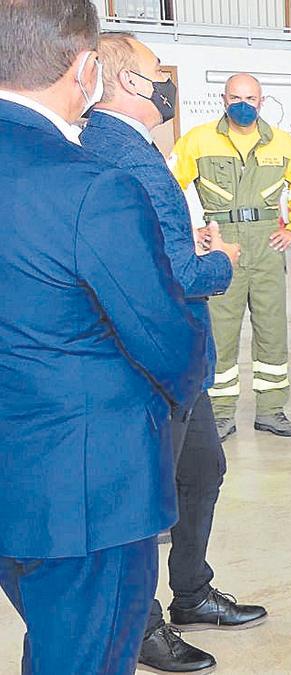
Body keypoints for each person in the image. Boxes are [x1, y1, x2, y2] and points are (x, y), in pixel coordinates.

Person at [0, 0, 206, 670]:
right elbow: (165, 336)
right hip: (85, 490)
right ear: (85, 68)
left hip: (14, 475)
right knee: (86, 655)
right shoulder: (93, 185)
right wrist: (185, 384)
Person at [83, 32, 268, 673]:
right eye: (156, 72)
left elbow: (142, 249)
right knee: (149, 498)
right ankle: (142, 625)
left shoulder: (117, 146)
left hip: (177, 367)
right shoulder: (129, 154)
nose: (166, 84)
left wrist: (186, 244)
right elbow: (180, 277)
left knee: (202, 470)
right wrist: (220, 259)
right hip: (155, 366)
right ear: (128, 82)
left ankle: (191, 592)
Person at [172, 72, 291, 440]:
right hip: (223, 241)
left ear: (261, 102)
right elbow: (168, 186)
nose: (243, 104)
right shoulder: (199, 140)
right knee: (221, 330)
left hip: (267, 241)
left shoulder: (281, 142)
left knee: (272, 328)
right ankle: (220, 414)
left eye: (250, 98)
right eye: (235, 97)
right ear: (223, 100)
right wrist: (190, 231)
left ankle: (271, 410)